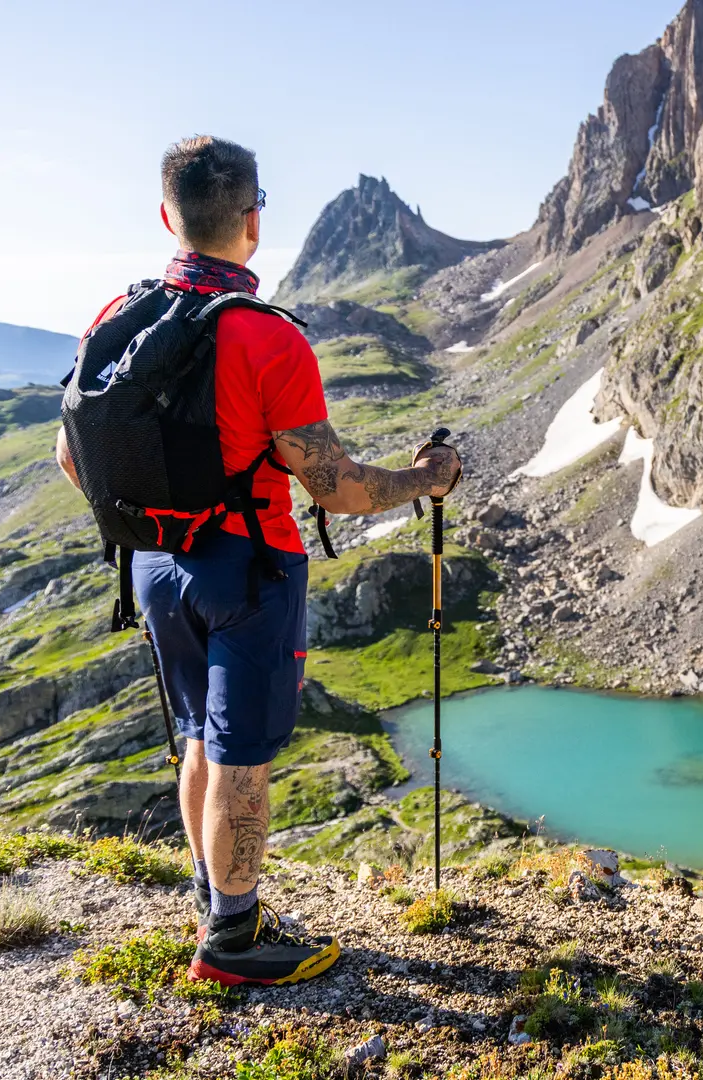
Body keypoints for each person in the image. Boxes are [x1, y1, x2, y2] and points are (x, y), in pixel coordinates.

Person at [54, 135, 461, 986]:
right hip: (248, 570)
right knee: (243, 755)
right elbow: (337, 487)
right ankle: (234, 943)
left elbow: (71, 453)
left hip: (155, 566)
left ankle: (218, 905)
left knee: (200, 738)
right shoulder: (267, 339)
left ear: (169, 217)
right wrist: (426, 479)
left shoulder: (117, 318)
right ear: (253, 220)